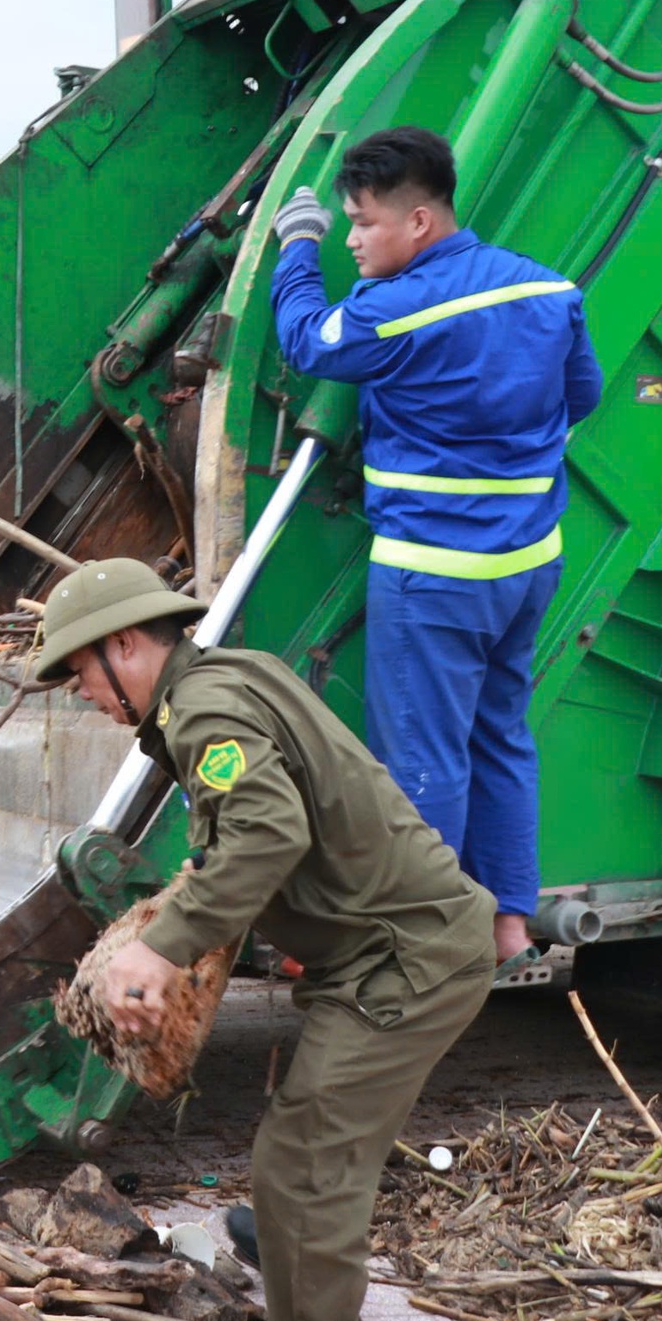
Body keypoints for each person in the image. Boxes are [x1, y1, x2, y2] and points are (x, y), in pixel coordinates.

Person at [33, 557, 493, 1321]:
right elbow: (251, 836)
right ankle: (292, 1267)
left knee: (304, 1170)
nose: (84, 695)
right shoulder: (227, 678)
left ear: (126, 644)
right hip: (388, 951)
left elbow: (269, 831)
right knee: (299, 1170)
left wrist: (159, 946)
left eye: (79, 674)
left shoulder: (203, 710)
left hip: (405, 961)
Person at [269, 127, 601, 974]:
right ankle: (507, 930)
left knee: (423, 763)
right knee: (500, 741)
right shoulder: (549, 288)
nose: (351, 237)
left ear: (419, 221)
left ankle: (425, 950)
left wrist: (298, 248)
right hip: (528, 566)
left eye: (361, 222)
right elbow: (584, 395)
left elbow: (309, 341)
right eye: (341, 224)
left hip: (436, 575)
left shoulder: (403, 308)